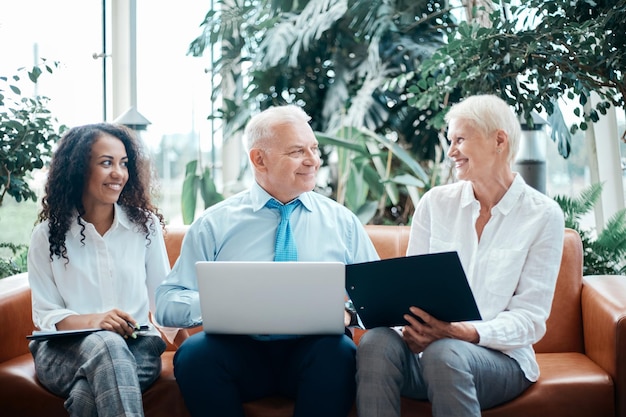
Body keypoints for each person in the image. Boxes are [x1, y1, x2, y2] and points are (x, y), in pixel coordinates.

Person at [155, 104, 379, 417]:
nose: (313, 160)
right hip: (238, 352)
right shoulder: (214, 223)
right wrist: (221, 304)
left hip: (316, 353)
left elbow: (379, 299)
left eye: (314, 148)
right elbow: (167, 303)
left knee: (339, 353)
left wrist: (347, 314)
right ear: (259, 159)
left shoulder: (343, 222)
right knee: (194, 354)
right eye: (297, 151)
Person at [355, 94, 565, 417]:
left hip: (499, 361)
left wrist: (462, 333)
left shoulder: (543, 216)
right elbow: (411, 293)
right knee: (376, 344)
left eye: (460, 140)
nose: (451, 151)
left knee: (445, 353)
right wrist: (409, 328)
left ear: (499, 140)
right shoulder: (434, 204)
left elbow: (530, 320)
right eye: (449, 140)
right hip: (428, 354)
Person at [27, 123, 171, 417]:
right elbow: (46, 315)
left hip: (136, 346)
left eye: (124, 163)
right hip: (64, 350)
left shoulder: (145, 227)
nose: (119, 173)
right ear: (79, 168)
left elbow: (163, 296)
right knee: (106, 342)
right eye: (106, 163)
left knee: (87, 398)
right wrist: (97, 321)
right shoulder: (47, 235)